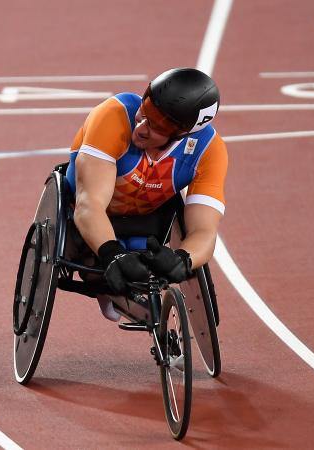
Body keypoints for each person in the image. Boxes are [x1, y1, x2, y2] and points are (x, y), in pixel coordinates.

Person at [64, 68, 227, 321]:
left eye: (157, 125)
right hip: (86, 214)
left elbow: (204, 231)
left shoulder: (210, 151)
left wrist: (182, 259)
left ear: (182, 134)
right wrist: (112, 253)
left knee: (145, 253)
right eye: (145, 110)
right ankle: (99, 272)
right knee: (93, 257)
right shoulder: (113, 114)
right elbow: (89, 206)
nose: (140, 127)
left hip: (145, 224)